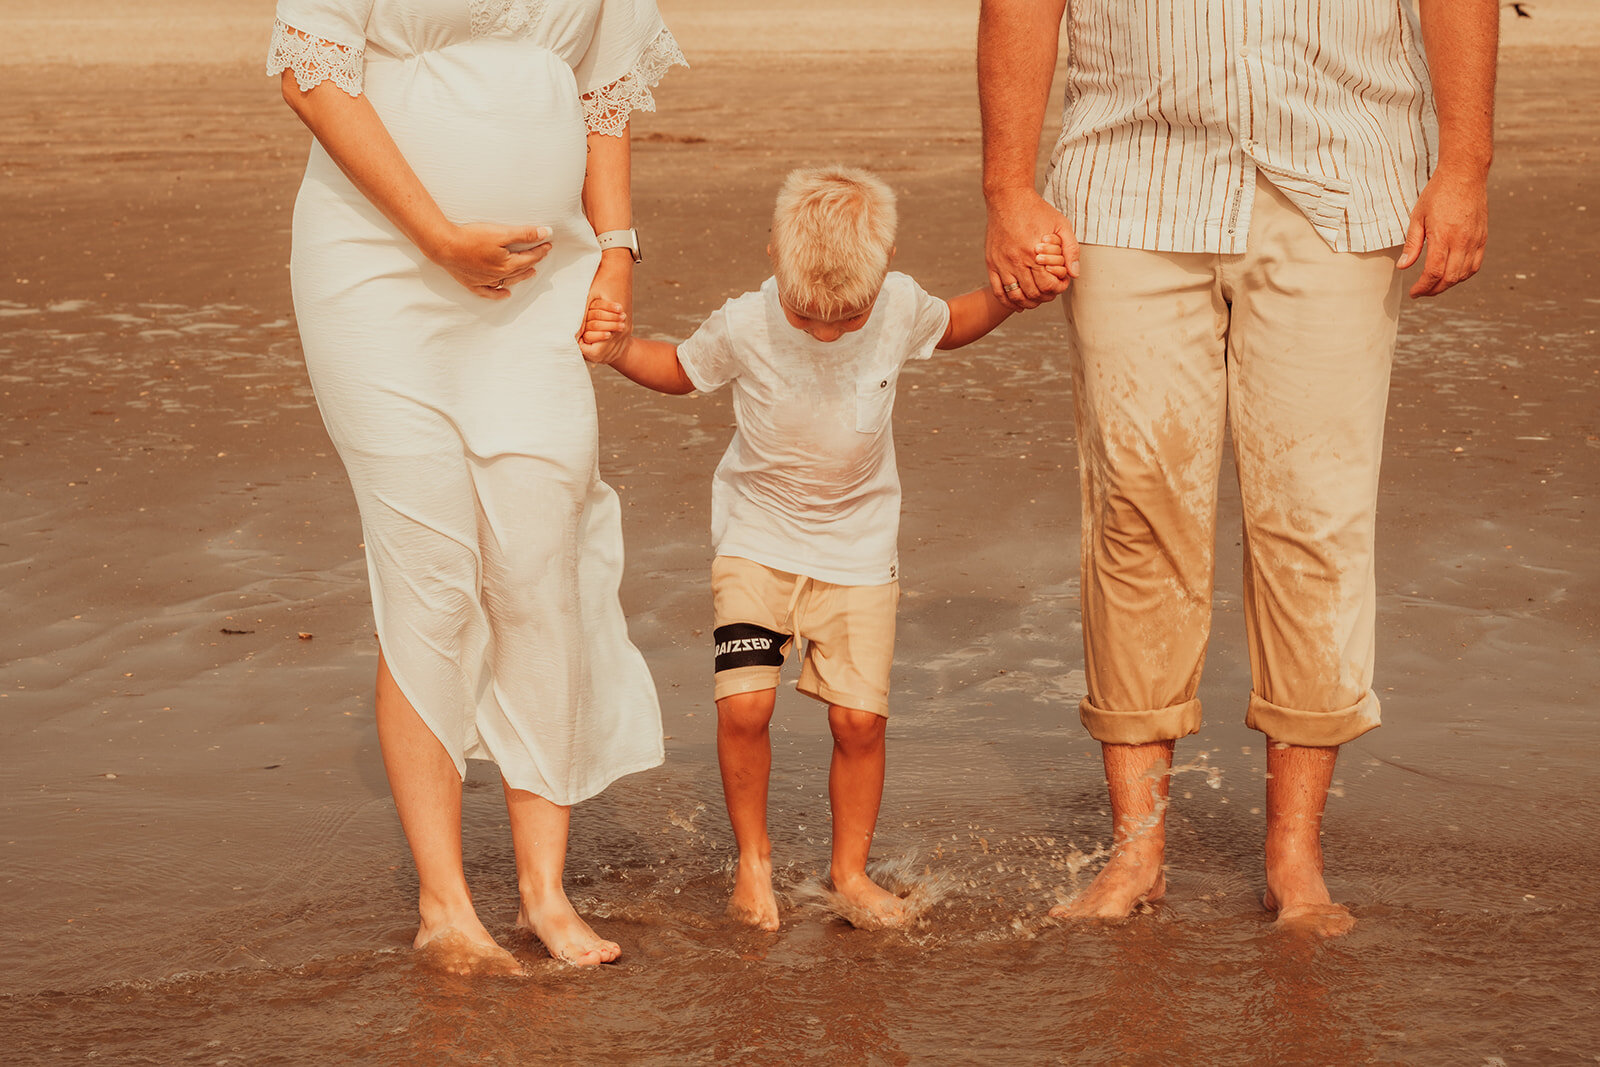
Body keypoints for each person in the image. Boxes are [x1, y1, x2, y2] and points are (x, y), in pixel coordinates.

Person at [977, 0, 1496, 933]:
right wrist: (1008, 186)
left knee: (1315, 515)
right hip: (1130, 176)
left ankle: (1294, 853)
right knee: (1137, 509)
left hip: (1341, 172)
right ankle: (1136, 849)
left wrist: (1465, 166)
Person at [266, 0, 685, 972]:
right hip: (378, 267)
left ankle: (543, 891)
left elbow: (603, 101)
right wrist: (437, 235)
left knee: (539, 572)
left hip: (539, 284)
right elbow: (310, 72)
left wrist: (616, 252)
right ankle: (446, 907)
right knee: (433, 578)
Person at [578, 166, 1068, 929]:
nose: (832, 332)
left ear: (888, 265)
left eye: (850, 318)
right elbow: (680, 370)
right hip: (756, 539)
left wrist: (1010, 293)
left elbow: (956, 320)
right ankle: (754, 862)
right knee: (744, 704)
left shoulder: (900, 304)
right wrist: (618, 351)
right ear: (774, 254)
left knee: (858, 723)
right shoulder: (746, 322)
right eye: (812, 319)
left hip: (861, 552)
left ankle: (849, 870)